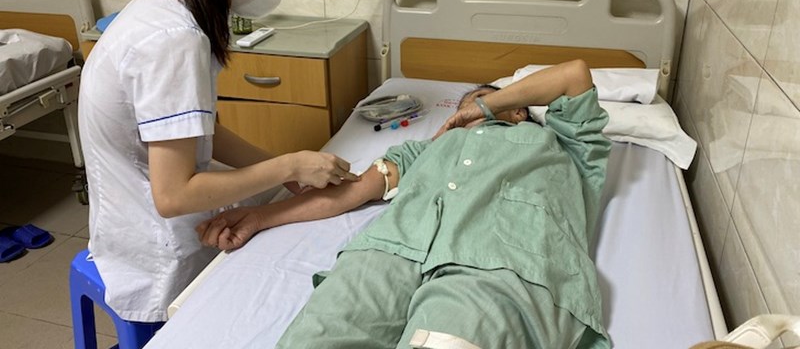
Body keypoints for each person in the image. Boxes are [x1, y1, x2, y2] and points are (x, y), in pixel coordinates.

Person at [76, 0, 358, 324]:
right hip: (158, 246)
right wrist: (287, 166)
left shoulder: (167, 1)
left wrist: (282, 171)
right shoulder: (172, 38)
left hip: (144, 209)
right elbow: (174, 195)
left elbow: (202, 130)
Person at [200, 59, 613, 349]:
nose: (464, 111)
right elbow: (349, 193)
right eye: (463, 106)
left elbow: (573, 75)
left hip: (500, 266)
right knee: (315, 338)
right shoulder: (422, 151)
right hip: (388, 254)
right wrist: (258, 216)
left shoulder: (565, 146)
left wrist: (486, 104)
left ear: (519, 109)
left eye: (479, 101)